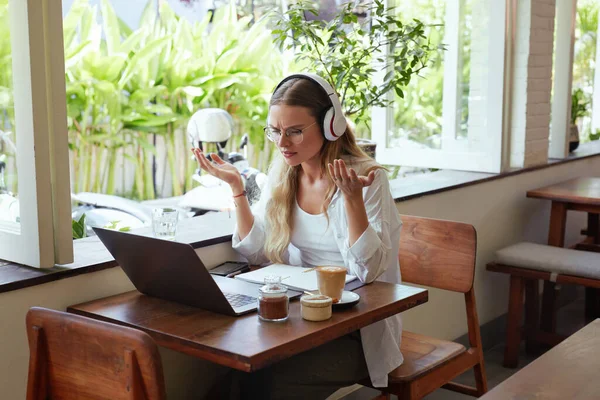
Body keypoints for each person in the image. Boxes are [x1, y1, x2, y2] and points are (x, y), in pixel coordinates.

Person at [192, 73, 403, 399]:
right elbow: (258, 253)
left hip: (355, 333)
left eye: (294, 131)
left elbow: (369, 271)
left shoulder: (364, 177)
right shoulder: (283, 174)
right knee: (231, 377)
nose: (282, 143)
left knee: (272, 385)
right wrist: (237, 189)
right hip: (302, 320)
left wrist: (352, 201)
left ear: (330, 125)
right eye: (275, 131)